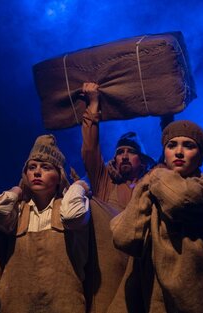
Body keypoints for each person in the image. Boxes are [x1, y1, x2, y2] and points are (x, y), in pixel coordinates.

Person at [109, 120, 203, 312]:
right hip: (163, 303)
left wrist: (155, 176)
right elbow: (125, 238)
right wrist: (146, 186)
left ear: (201, 158)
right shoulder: (153, 191)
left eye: (188, 146)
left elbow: (180, 200)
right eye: (172, 145)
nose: (178, 152)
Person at [0, 134, 90, 313]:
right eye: (31, 167)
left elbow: (73, 216)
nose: (37, 172)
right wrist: (17, 190)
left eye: (46, 167)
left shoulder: (68, 206)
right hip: (16, 305)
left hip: (63, 305)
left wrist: (78, 187)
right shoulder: (18, 212)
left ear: (59, 176)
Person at [81, 82, 155, 312]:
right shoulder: (106, 184)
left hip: (146, 265)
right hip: (109, 268)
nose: (123, 156)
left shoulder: (153, 185)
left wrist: (167, 118)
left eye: (130, 152)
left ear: (142, 160)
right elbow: (90, 150)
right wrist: (93, 104)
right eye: (120, 152)